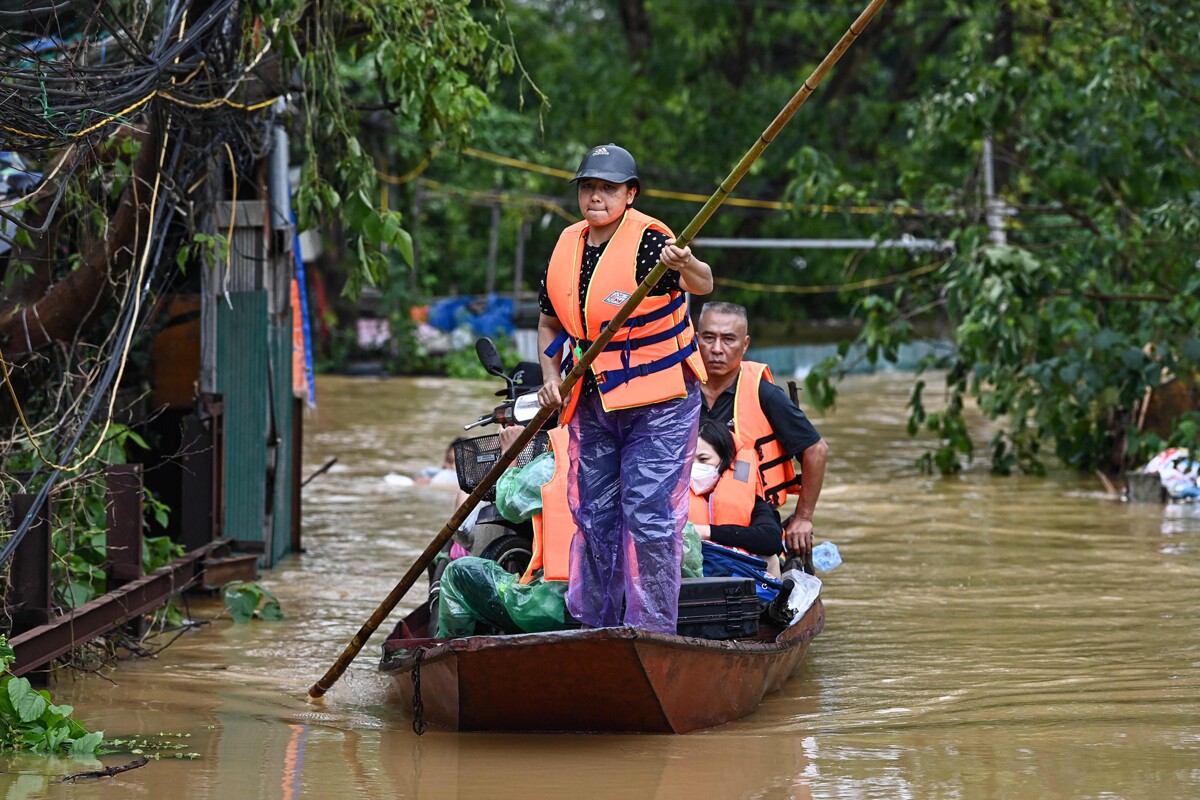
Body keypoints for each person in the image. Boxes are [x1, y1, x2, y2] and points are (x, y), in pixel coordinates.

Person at [537, 143, 713, 634]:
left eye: (608, 189)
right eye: (589, 187)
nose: (597, 197)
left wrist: (686, 263)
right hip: (595, 401)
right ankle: (594, 626)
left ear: (629, 194)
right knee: (593, 516)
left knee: (649, 516)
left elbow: (704, 283)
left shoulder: (652, 244)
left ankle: (653, 631)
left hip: (660, 404)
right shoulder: (567, 245)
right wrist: (551, 378)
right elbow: (549, 324)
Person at [696, 301, 829, 560]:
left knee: (768, 554)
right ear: (696, 339)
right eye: (709, 338)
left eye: (729, 340)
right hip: (684, 510)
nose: (717, 349)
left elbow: (816, 450)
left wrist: (803, 518)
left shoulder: (764, 393)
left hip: (750, 512)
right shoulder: (678, 388)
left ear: (745, 345)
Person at [689, 419, 785, 576]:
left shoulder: (750, 501)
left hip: (736, 579)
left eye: (704, 459)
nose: (695, 466)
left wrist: (707, 532)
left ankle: (767, 600)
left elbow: (771, 540)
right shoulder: (671, 498)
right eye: (689, 460)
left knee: (770, 558)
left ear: (726, 460)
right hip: (688, 581)